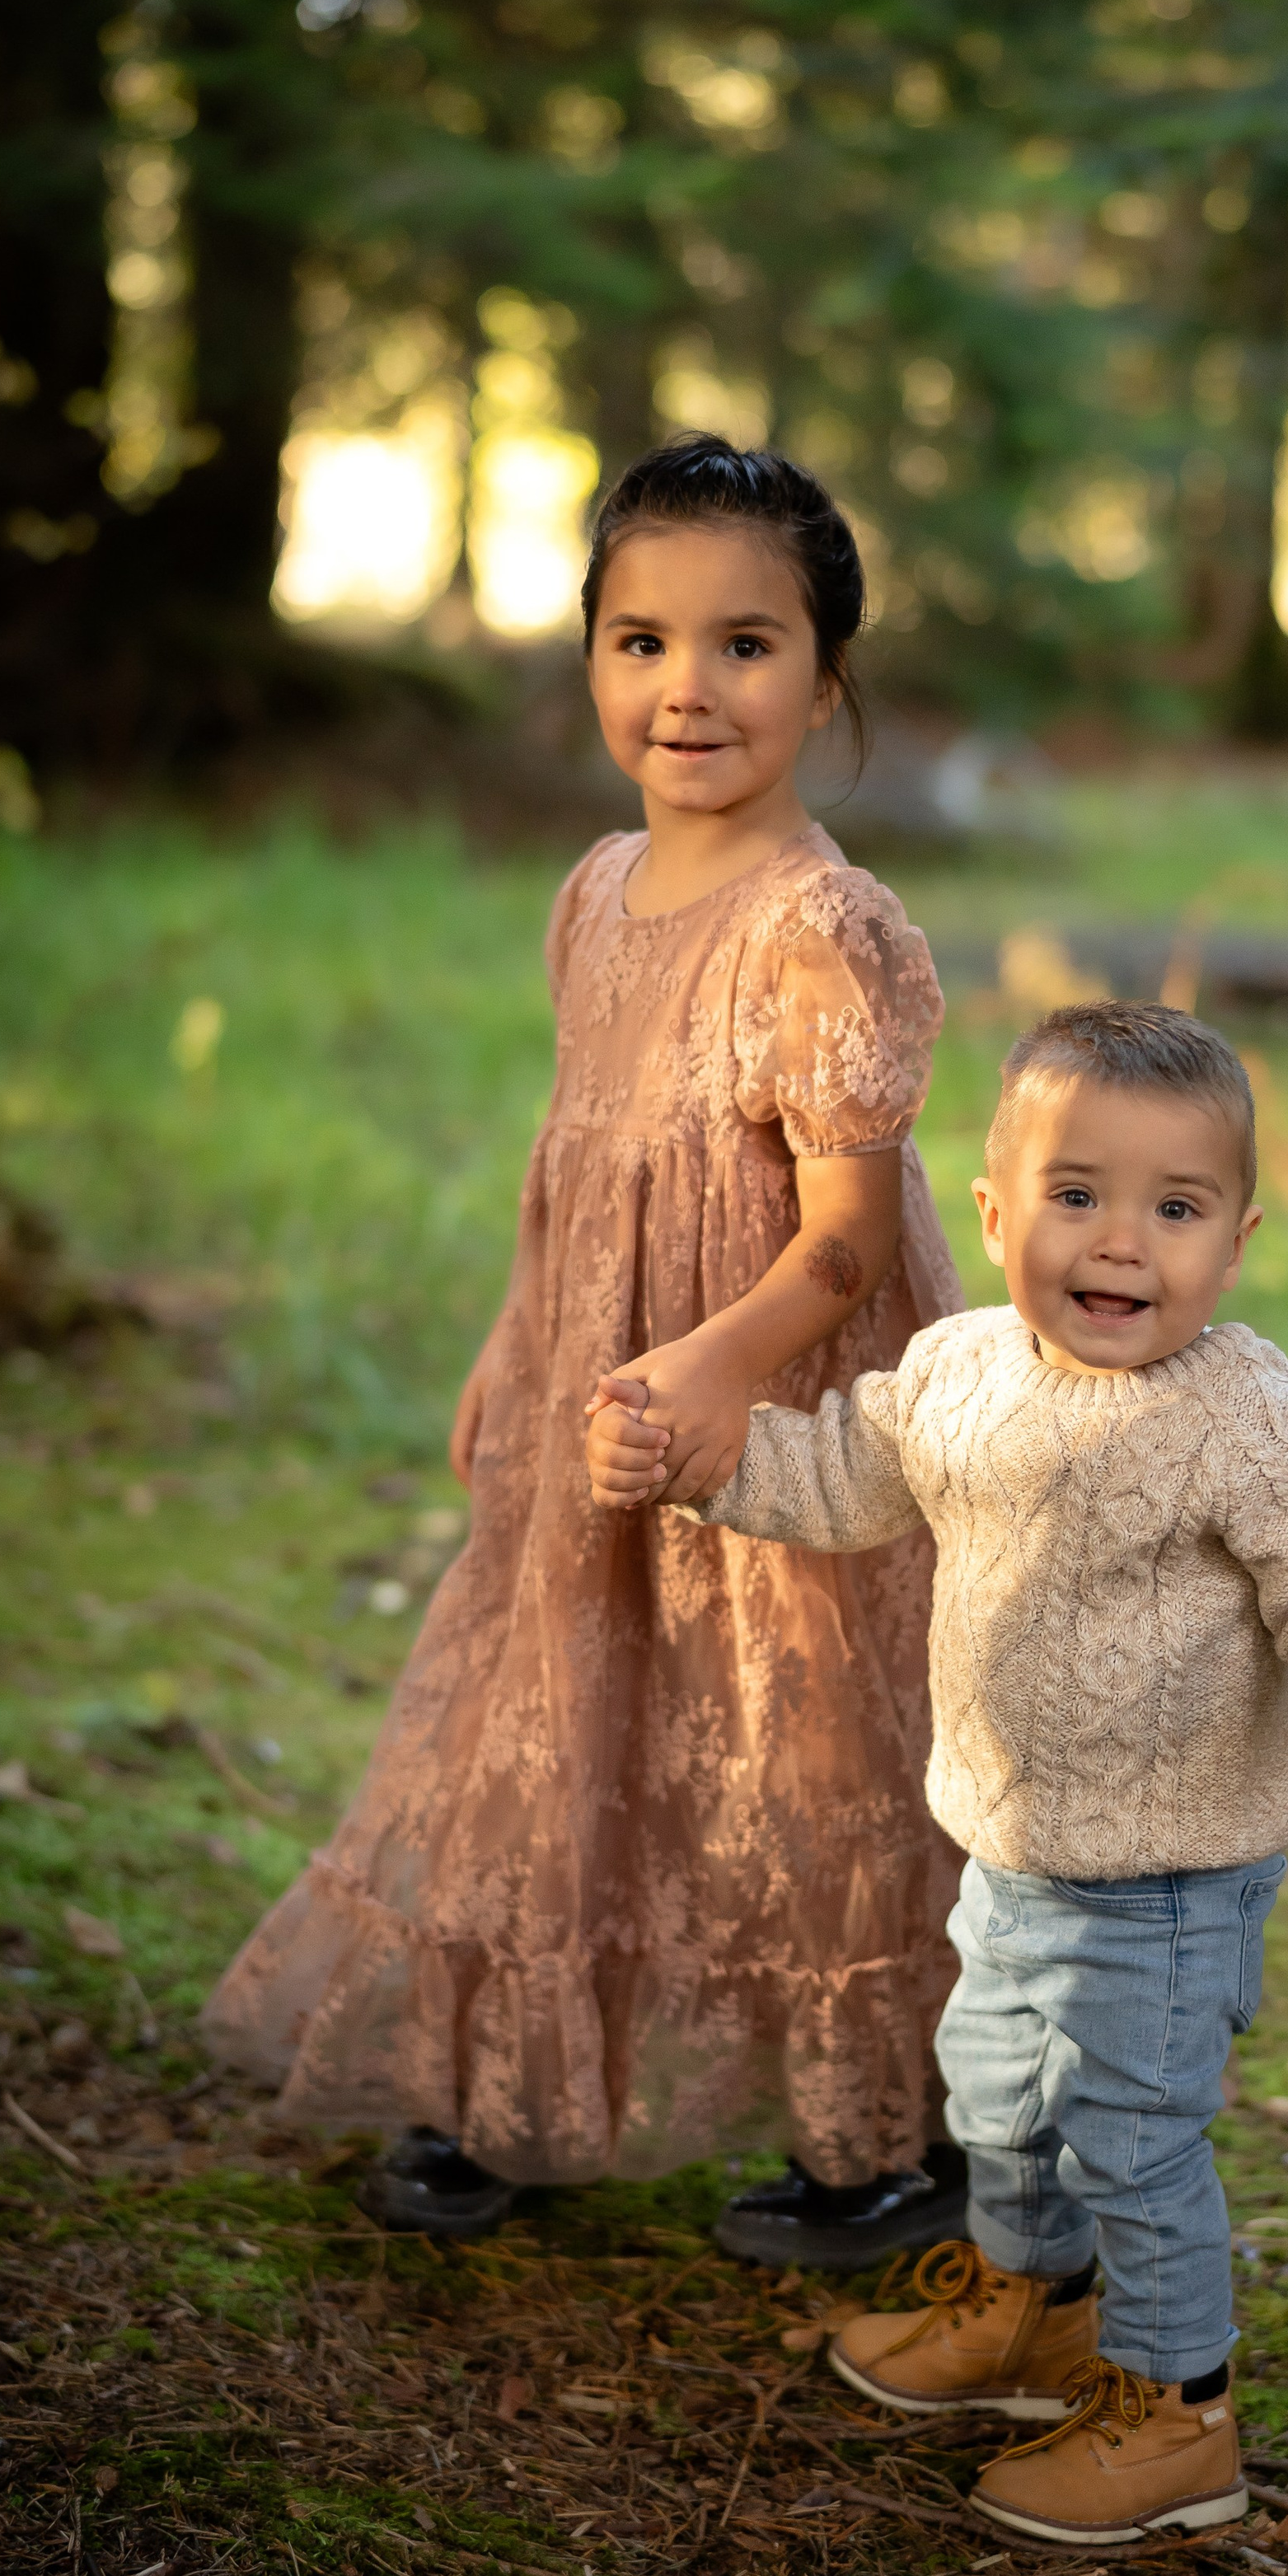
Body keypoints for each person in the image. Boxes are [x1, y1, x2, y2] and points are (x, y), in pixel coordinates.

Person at [204, 437, 969, 2267]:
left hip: (777, 1408)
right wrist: (512, 1335)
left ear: (826, 675)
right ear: (591, 660)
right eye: (639, 640)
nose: (684, 688)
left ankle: (877, 2142)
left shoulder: (827, 932)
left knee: (798, 1746)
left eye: (743, 644)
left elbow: (846, 1240)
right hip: (594, 1398)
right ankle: (516, 2093)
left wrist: (715, 1373)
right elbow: (576, 1178)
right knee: (560, 1710)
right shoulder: (593, 892)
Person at [589, 998, 1288, 2546]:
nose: (1122, 1244)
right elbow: (841, 1476)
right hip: (1012, 1855)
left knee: (1132, 2137)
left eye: (1174, 1209)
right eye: (1076, 1195)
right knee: (997, 2099)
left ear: (1236, 1241)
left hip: (1172, 1879)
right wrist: (707, 1464)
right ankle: (1031, 2317)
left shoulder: (1243, 1416)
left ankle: (1180, 2413)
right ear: (993, 1216)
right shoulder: (964, 1371)